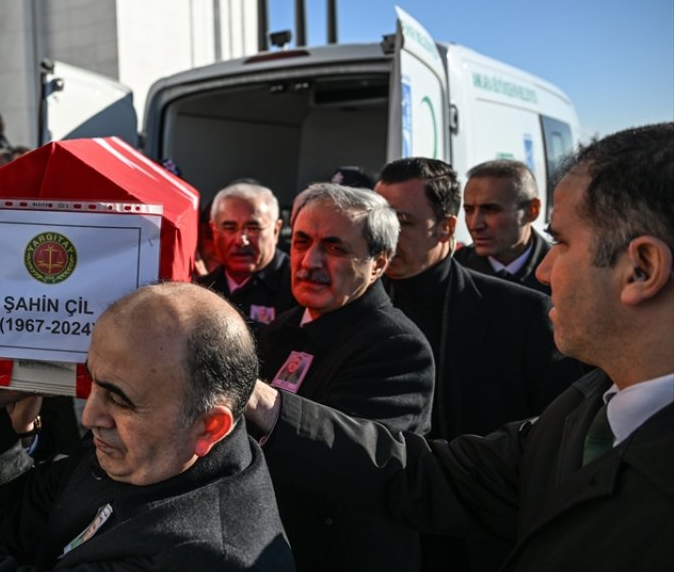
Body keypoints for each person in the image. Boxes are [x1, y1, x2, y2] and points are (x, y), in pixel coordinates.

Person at [240, 123, 674, 571]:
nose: (544, 270)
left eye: (561, 242)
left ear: (641, 269)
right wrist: (262, 402)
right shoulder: (583, 410)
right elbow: (432, 475)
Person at [0, 282, 295, 570]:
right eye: (93, 383)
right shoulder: (156, 451)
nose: (90, 416)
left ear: (209, 427)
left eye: (120, 399)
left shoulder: (203, 556)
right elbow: (19, 515)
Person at [258, 182, 434, 571]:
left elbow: (345, 458)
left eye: (335, 248)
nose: (309, 262)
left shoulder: (398, 347)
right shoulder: (279, 330)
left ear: (379, 263)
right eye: (301, 242)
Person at [374, 158, 578, 439]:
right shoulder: (354, 296)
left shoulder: (528, 310)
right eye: (379, 222)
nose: (384, 236)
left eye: (402, 222)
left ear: (445, 227)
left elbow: (558, 426)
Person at [197, 182, 296, 332]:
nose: (241, 240)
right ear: (214, 230)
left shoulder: (299, 287)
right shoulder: (203, 290)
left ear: (276, 230)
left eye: (253, 228)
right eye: (230, 228)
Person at [455, 160, 552, 295]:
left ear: (532, 210)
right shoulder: (454, 272)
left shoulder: (565, 273)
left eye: (490, 210)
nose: (474, 225)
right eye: (469, 210)